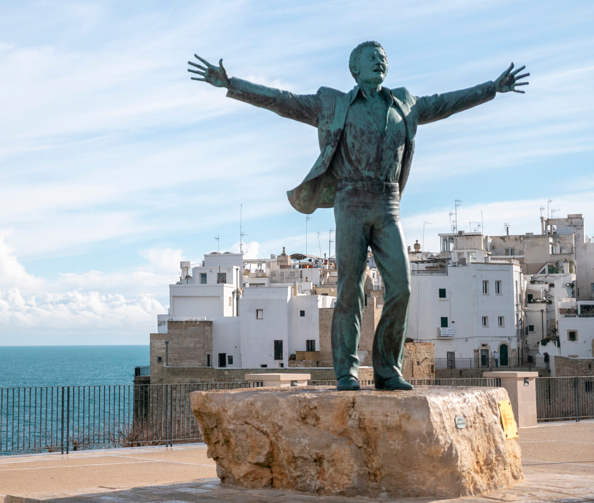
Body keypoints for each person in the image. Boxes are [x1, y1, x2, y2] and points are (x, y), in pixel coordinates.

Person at [188, 42, 528, 390]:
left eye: (383, 57)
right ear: (355, 69)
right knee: (350, 289)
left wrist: (492, 89)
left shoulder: (404, 103)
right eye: (372, 57)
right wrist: (233, 84)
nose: (380, 61)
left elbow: (446, 103)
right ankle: (346, 370)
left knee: (402, 288)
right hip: (350, 201)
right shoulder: (334, 104)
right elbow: (283, 101)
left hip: (387, 204)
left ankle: (387, 368)